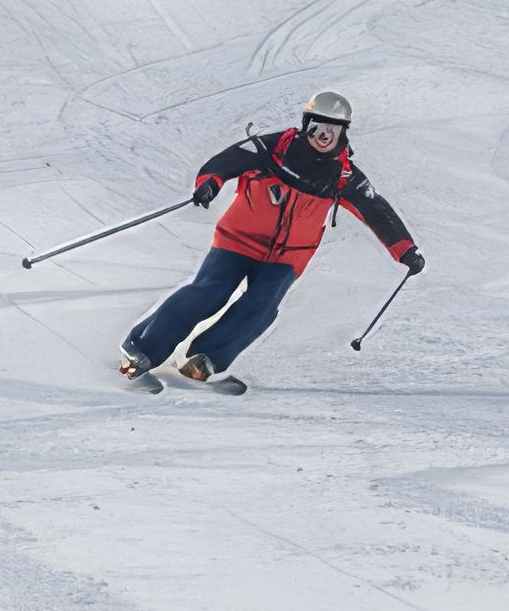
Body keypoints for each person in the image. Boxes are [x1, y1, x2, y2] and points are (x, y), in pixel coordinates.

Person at [120, 90, 422, 390]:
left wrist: (405, 250)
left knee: (261, 306)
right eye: (318, 126)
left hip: (288, 256)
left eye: (334, 129)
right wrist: (209, 183)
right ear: (306, 124)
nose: (324, 135)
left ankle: (205, 358)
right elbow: (224, 162)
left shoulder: (343, 175)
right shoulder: (272, 149)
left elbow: (376, 209)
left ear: (344, 132)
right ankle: (142, 350)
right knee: (209, 293)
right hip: (238, 240)